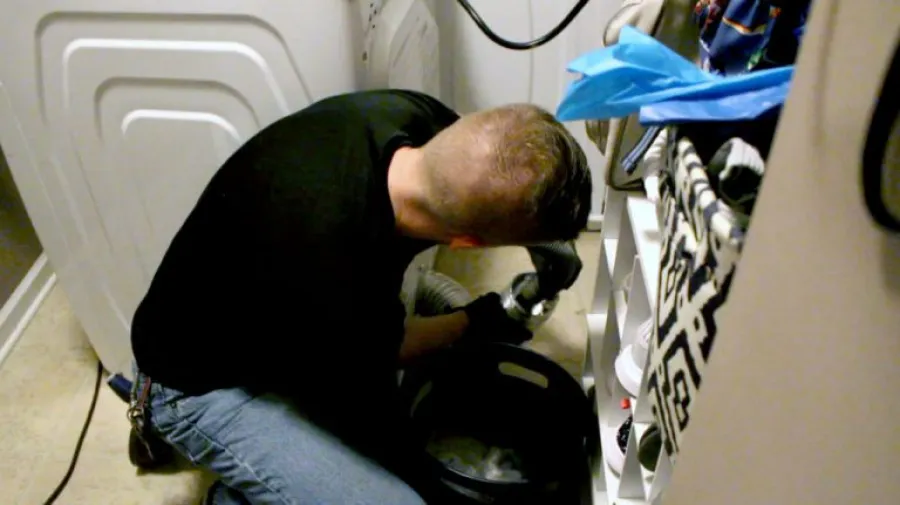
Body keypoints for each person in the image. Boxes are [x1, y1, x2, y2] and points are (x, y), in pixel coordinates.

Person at [130, 89, 591, 505]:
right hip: (196, 384)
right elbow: (388, 347)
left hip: (279, 304)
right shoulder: (328, 265)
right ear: (467, 244)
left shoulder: (412, 116)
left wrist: (548, 243)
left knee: (439, 321)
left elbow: (505, 171)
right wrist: (477, 319)